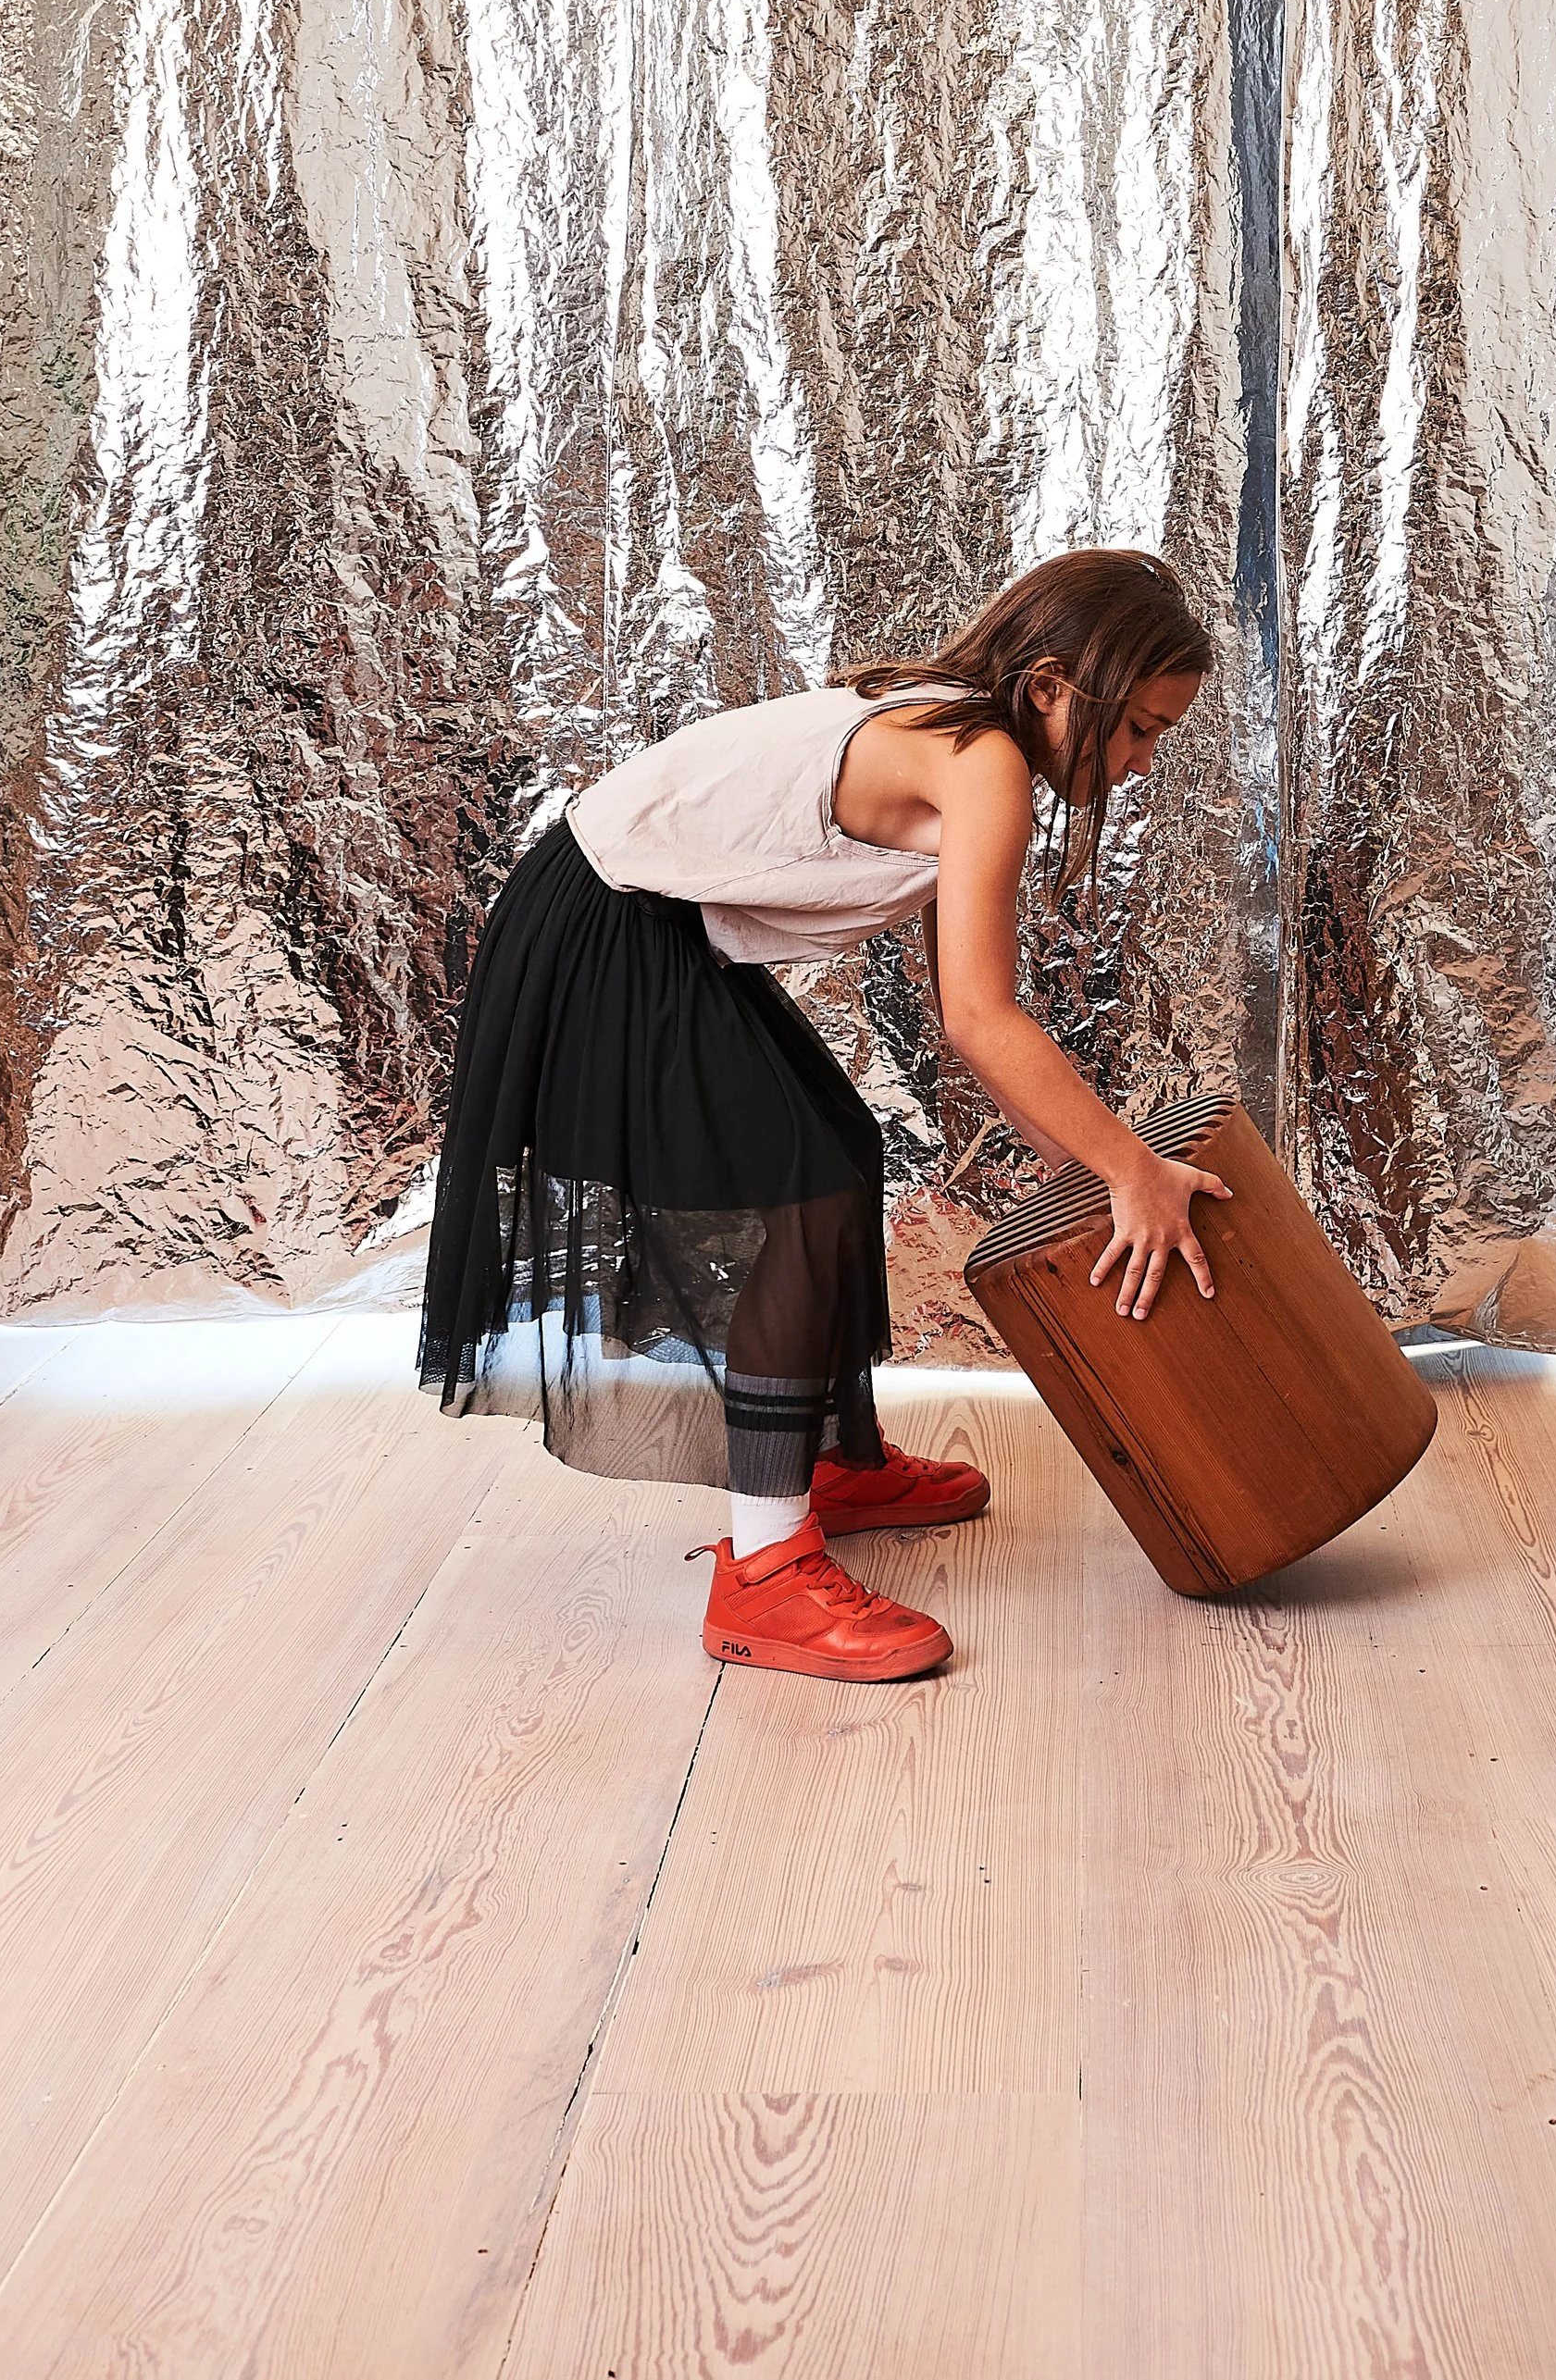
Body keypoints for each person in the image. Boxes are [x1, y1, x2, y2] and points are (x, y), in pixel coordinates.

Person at [417, 548, 1226, 1685]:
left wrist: (1115, 1170)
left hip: (641, 917)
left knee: (837, 1152)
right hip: (608, 922)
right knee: (796, 1198)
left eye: (1159, 737)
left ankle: (816, 1461)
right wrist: (1130, 1170)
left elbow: (981, 1029)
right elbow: (983, 1022)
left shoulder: (961, 728)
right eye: (1140, 728)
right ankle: (762, 1571)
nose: (1142, 763)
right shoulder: (982, 759)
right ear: (1051, 685)